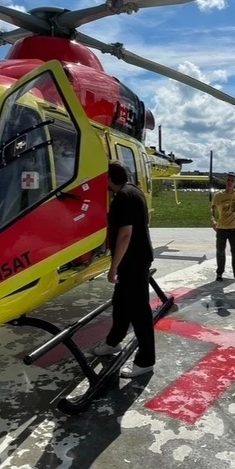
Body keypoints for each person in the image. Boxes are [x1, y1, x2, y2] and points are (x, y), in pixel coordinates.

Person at [91, 160, 156, 377]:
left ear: (108, 179)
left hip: (132, 261)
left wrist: (113, 267)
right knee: (120, 303)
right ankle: (113, 342)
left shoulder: (122, 199)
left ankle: (145, 360)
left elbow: (125, 234)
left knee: (139, 312)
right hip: (138, 258)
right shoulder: (134, 191)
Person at [211, 172, 235, 288]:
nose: (230, 182)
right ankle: (219, 273)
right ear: (225, 181)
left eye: (232, 180)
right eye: (228, 180)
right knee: (220, 252)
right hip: (221, 228)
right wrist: (213, 221)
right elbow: (212, 209)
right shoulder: (218, 195)